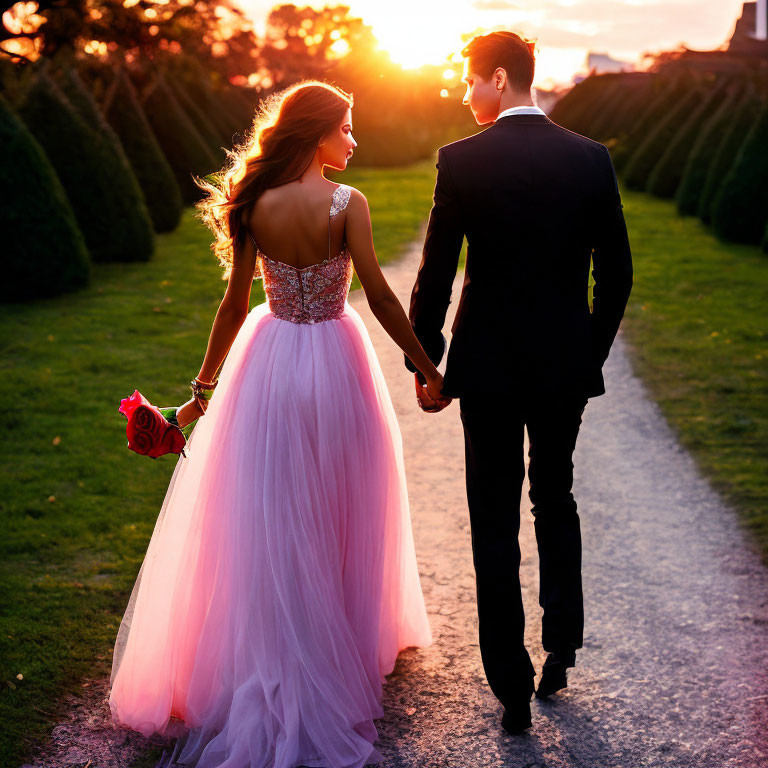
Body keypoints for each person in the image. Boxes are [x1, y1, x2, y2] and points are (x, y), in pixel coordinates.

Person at [108, 80, 446, 768]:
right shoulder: (348, 203)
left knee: (270, 511)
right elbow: (377, 294)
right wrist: (425, 363)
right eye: (346, 128)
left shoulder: (253, 205)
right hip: (334, 359)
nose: (353, 140)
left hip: (267, 363)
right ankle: (332, 647)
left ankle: (279, 642)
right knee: (340, 500)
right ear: (317, 133)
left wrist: (200, 395)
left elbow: (234, 307)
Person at [404, 31, 633, 733]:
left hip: (490, 369)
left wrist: (428, 363)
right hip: (564, 365)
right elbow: (616, 273)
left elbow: (437, 274)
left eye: (470, 81)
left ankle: (510, 683)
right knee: (554, 495)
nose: (465, 94)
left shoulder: (462, 161)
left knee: (493, 518)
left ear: (499, 79)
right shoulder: (590, 160)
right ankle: (561, 643)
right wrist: (586, 354)